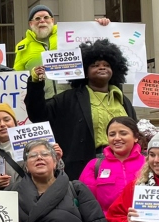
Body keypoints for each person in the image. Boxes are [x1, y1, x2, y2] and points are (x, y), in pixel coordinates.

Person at [26, 39, 135, 181]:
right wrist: (36, 83)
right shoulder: (69, 99)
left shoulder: (123, 101)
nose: (102, 68)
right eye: (95, 65)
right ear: (85, 72)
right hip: (84, 169)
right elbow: (38, 114)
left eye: (107, 65)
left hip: (123, 167)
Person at [13, 5, 110, 99]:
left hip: (72, 98)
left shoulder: (67, 36)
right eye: (37, 18)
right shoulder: (23, 47)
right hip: (42, 102)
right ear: (31, 24)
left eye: (46, 17)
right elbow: (17, 77)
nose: (42, 21)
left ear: (52, 20)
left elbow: (92, 48)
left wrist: (100, 27)